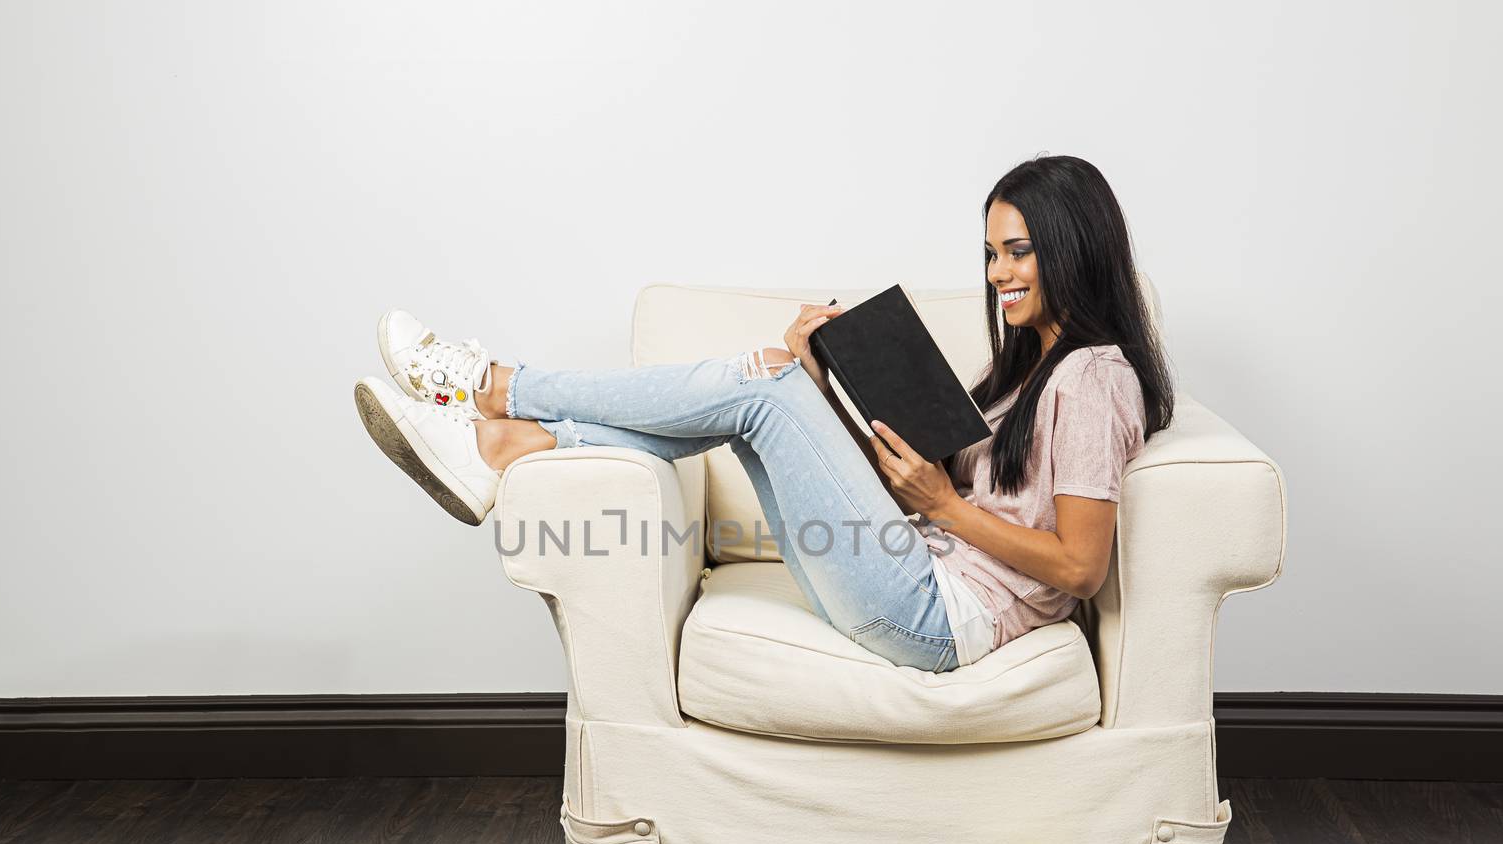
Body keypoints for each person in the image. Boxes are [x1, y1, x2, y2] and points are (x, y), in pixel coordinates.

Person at [353, 154, 1174, 674]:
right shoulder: (1027, 371)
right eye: (992, 253)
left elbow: (1080, 567)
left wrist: (948, 506)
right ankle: (506, 443)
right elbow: (902, 491)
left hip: (939, 616)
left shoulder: (1095, 378)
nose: (999, 273)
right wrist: (827, 389)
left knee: (760, 384)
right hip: (905, 570)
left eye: (1018, 251)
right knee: (776, 384)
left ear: (1073, 247)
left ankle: (495, 390)